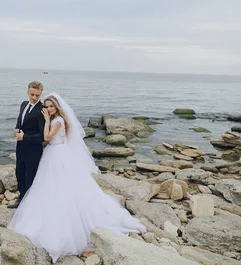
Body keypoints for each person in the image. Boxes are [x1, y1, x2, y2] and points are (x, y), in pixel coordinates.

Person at [8, 93, 146, 263]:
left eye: (51, 106)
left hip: (57, 154)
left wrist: (44, 120)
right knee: (49, 185)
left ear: (57, 107)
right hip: (53, 154)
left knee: (61, 184)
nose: (48, 109)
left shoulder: (58, 121)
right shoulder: (55, 119)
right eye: (46, 106)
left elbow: (47, 138)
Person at [8, 81, 46, 209]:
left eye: (37, 95)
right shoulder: (23, 104)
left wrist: (25, 137)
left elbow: (42, 136)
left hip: (34, 150)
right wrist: (16, 129)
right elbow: (20, 122)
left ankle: (29, 203)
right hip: (20, 148)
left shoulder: (42, 110)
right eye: (32, 94)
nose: (34, 98)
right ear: (27, 92)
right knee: (19, 174)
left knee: (30, 177)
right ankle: (21, 197)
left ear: (40, 94)